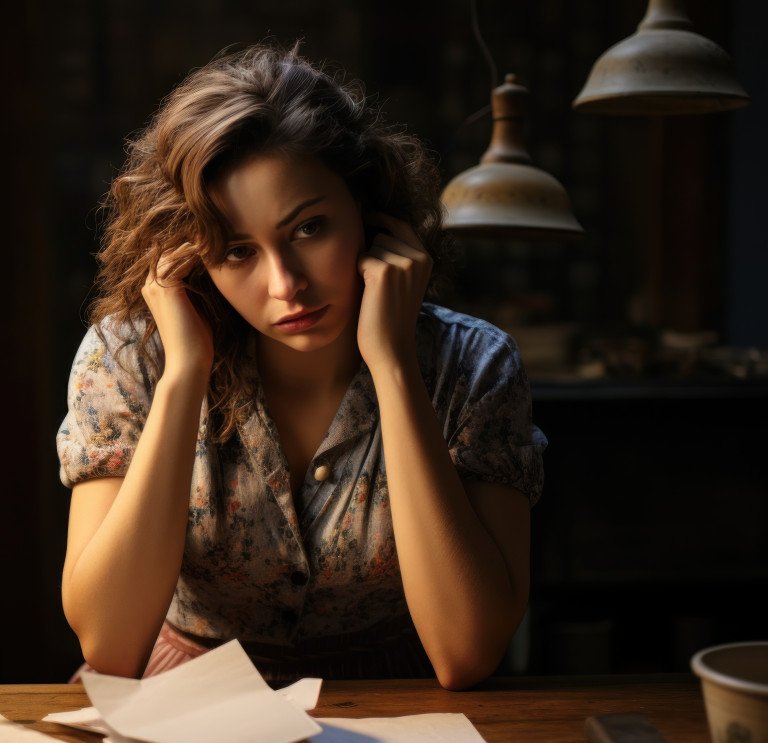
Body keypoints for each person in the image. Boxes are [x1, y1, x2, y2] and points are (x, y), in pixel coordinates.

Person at [56, 44, 547, 689]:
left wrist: (394, 366)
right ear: (188, 256)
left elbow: (467, 652)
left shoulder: (472, 366)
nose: (285, 284)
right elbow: (112, 648)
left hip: (403, 711)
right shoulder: (131, 358)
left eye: (310, 228)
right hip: (181, 715)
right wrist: (184, 376)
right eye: (236, 251)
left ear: (372, 215)